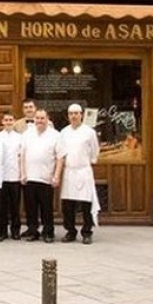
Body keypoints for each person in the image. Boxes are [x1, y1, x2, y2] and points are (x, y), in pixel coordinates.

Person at [59, 103, 100, 245]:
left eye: (76, 113)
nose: (74, 116)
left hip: (83, 171)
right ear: (68, 116)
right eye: (71, 114)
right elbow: (61, 152)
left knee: (86, 204)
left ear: (81, 114)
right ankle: (70, 231)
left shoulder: (89, 132)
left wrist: (90, 162)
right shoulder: (63, 132)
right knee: (67, 205)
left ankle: (87, 232)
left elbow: (95, 151)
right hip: (69, 172)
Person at [20, 109, 63, 243]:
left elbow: (60, 157)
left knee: (46, 207)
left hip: (46, 178)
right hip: (30, 177)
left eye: (42, 118)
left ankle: (48, 232)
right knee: (30, 207)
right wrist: (23, 173)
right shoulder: (27, 134)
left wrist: (56, 176)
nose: (39, 121)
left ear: (47, 119)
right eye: (37, 118)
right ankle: (33, 231)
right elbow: (22, 155)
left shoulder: (55, 135)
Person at [0, 110, 23, 241]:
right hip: (1, 177)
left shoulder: (19, 137)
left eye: (10, 120)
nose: (8, 122)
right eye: (6, 120)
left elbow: (21, 157)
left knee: (15, 206)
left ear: (14, 122)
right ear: (2, 122)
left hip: (15, 176)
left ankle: (15, 230)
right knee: (2, 206)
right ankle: (2, 230)